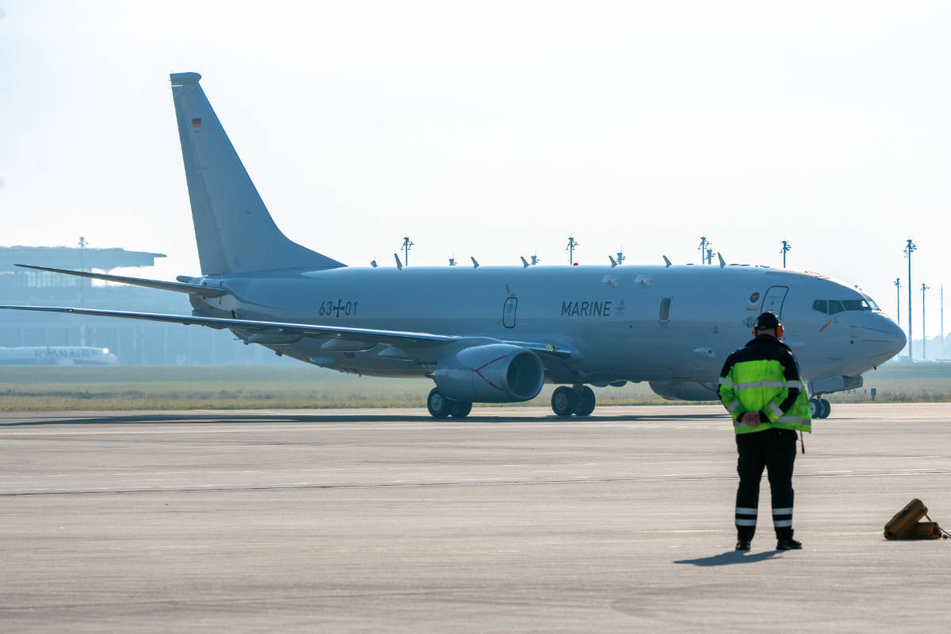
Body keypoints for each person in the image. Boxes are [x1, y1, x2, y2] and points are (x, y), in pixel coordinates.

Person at [718, 312, 812, 552]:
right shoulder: (784, 356)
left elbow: (723, 391)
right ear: (779, 331)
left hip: (747, 434)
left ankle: (743, 540)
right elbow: (791, 392)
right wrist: (766, 416)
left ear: (754, 332)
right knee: (780, 484)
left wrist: (743, 415)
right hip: (779, 432)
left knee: (747, 484)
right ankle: (783, 538)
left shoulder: (735, 358)